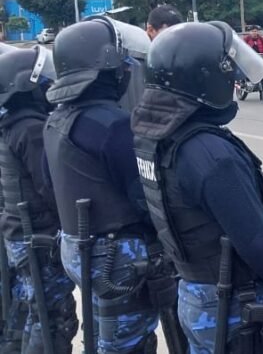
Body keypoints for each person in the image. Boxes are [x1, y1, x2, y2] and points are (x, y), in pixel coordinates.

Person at [131, 22, 263, 352]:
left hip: (197, 295)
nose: (233, 81)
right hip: (237, 304)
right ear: (205, 77)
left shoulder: (159, 139)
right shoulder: (209, 153)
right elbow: (258, 245)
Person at [43, 18, 171, 353]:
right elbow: (146, 196)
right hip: (117, 254)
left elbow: (49, 185)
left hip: (79, 247)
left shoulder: (56, 120)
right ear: (107, 67)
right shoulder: (110, 125)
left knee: (104, 338)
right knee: (128, 344)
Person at [0, 47, 78, 353]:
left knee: (32, 310)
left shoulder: (13, 125)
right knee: (52, 317)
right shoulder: (30, 129)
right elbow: (49, 185)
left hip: (20, 233)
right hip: (37, 237)